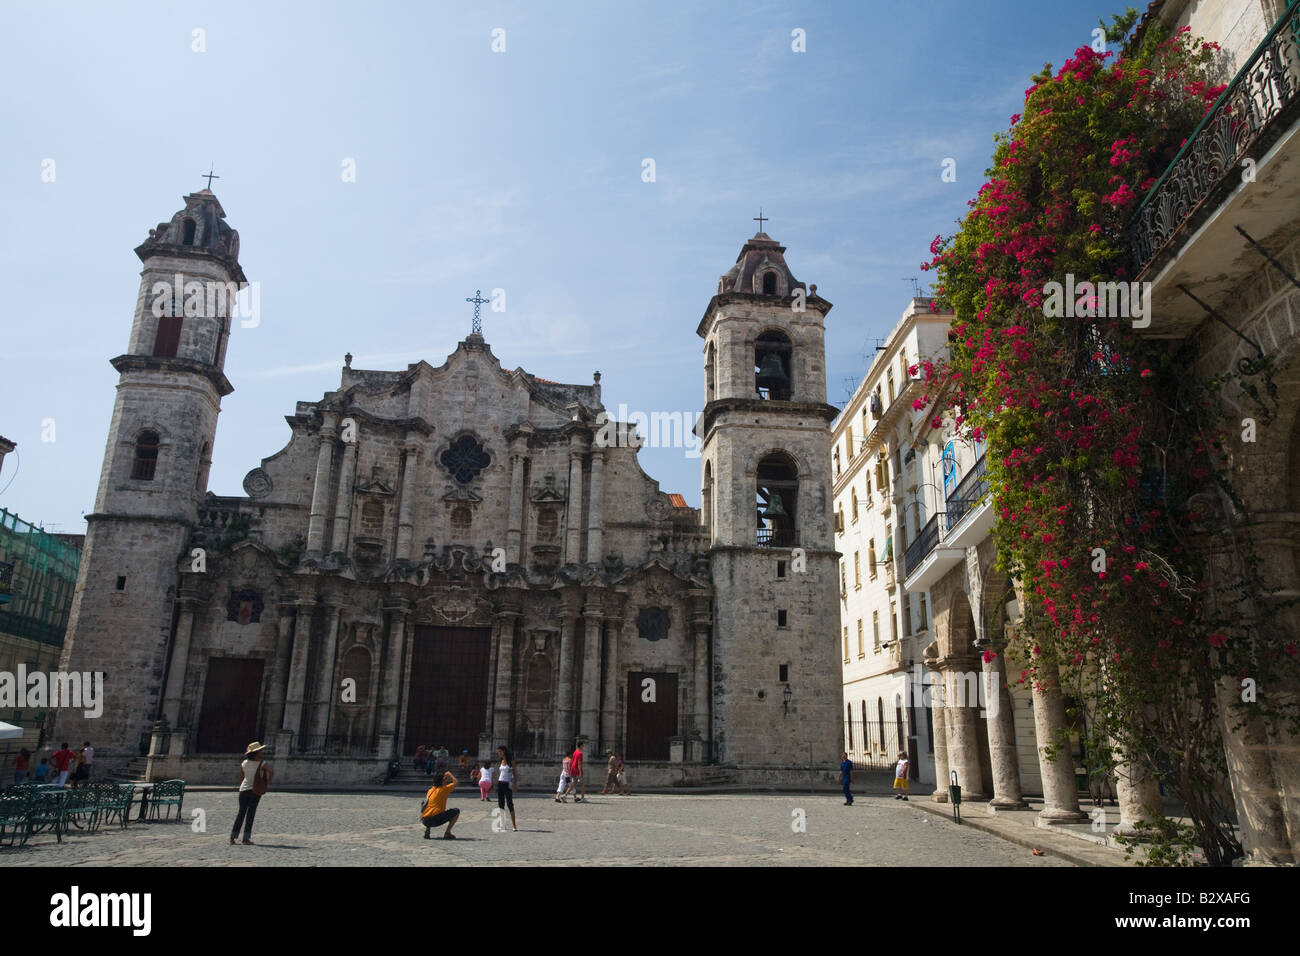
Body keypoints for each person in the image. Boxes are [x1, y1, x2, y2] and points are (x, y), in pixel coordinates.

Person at [231, 741, 272, 845]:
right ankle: (246, 838)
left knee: (241, 813)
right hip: (255, 790)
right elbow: (271, 772)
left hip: (243, 790)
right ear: (257, 752)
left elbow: (241, 777)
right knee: (250, 814)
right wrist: (266, 781)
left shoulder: (244, 763)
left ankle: (233, 836)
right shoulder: (262, 763)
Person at [420, 771, 460, 840]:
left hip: (424, 820)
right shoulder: (444, 789)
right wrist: (450, 774)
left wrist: (444, 780)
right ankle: (447, 833)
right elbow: (456, 782)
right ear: (442, 782)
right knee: (456, 811)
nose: (446, 781)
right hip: (435, 820)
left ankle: (427, 830)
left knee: (430, 809)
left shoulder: (430, 790)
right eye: (444, 779)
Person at [496, 745, 518, 831]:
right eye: (498, 751)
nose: (499, 753)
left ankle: (514, 825)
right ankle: (503, 824)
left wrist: (515, 784)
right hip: (500, 783)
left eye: (500, 751)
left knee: (510, 804)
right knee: (501, 804)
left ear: (504, 751)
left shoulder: (511, 762)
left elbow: (515, 773)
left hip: (507, 784)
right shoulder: (501, 761)